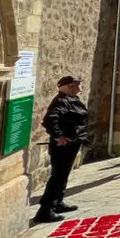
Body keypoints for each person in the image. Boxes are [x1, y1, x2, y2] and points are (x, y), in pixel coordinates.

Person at [36, 76, 89, 223]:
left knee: (63, 175)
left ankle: (58, 202)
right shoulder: (62, 101)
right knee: (58, 176)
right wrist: (59, 136)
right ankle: (45, 211)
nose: (80, 86)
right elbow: (49, 120)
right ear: (69, 86)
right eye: (78, 84)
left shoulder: (72, 99)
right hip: (63, 146)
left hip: (72, 143)